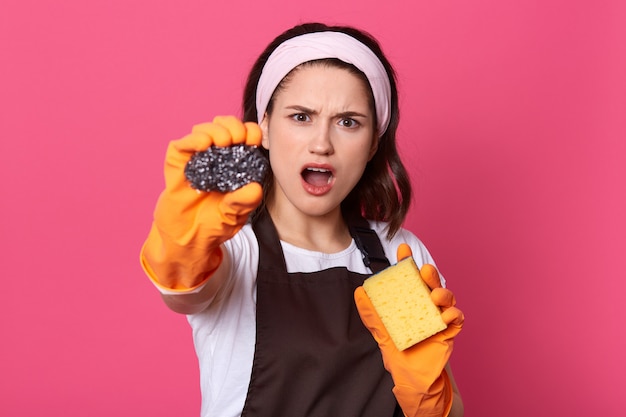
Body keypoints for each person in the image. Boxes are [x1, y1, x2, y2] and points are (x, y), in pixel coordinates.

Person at [140, 22, 465, 417]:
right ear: (265, 126)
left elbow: (447, 412)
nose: (322, 143)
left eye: (348, 122)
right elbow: (183, 292)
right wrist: (182, 246)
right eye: (301, 117)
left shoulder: (397, 257)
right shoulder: (236, 248)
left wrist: (431, 397)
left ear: (372, 143)